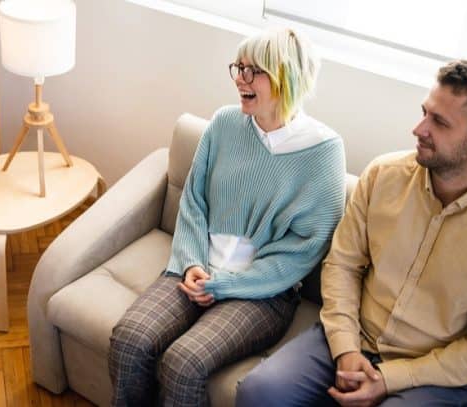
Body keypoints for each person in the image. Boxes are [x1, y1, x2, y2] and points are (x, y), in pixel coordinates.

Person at [235, 60, 467, 406]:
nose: (419, 128)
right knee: (259, 391)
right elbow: (343, 265)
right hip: (355, 336)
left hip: (434, 374)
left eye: (439, 122)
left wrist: (389, 378)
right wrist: (345, 349)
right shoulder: (382, 175)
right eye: (425, 112)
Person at [107, 27, 346, 406]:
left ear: (287, 77)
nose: (240, 79)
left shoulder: (323, 152)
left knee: (183, 363)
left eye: (254, 71)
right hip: (194, 269)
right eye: (238, 67)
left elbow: (305, 248)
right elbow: (193, 202)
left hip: (262, 294)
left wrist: (225, 285)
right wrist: (191, 265)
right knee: (130, 338)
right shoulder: (224, 123)